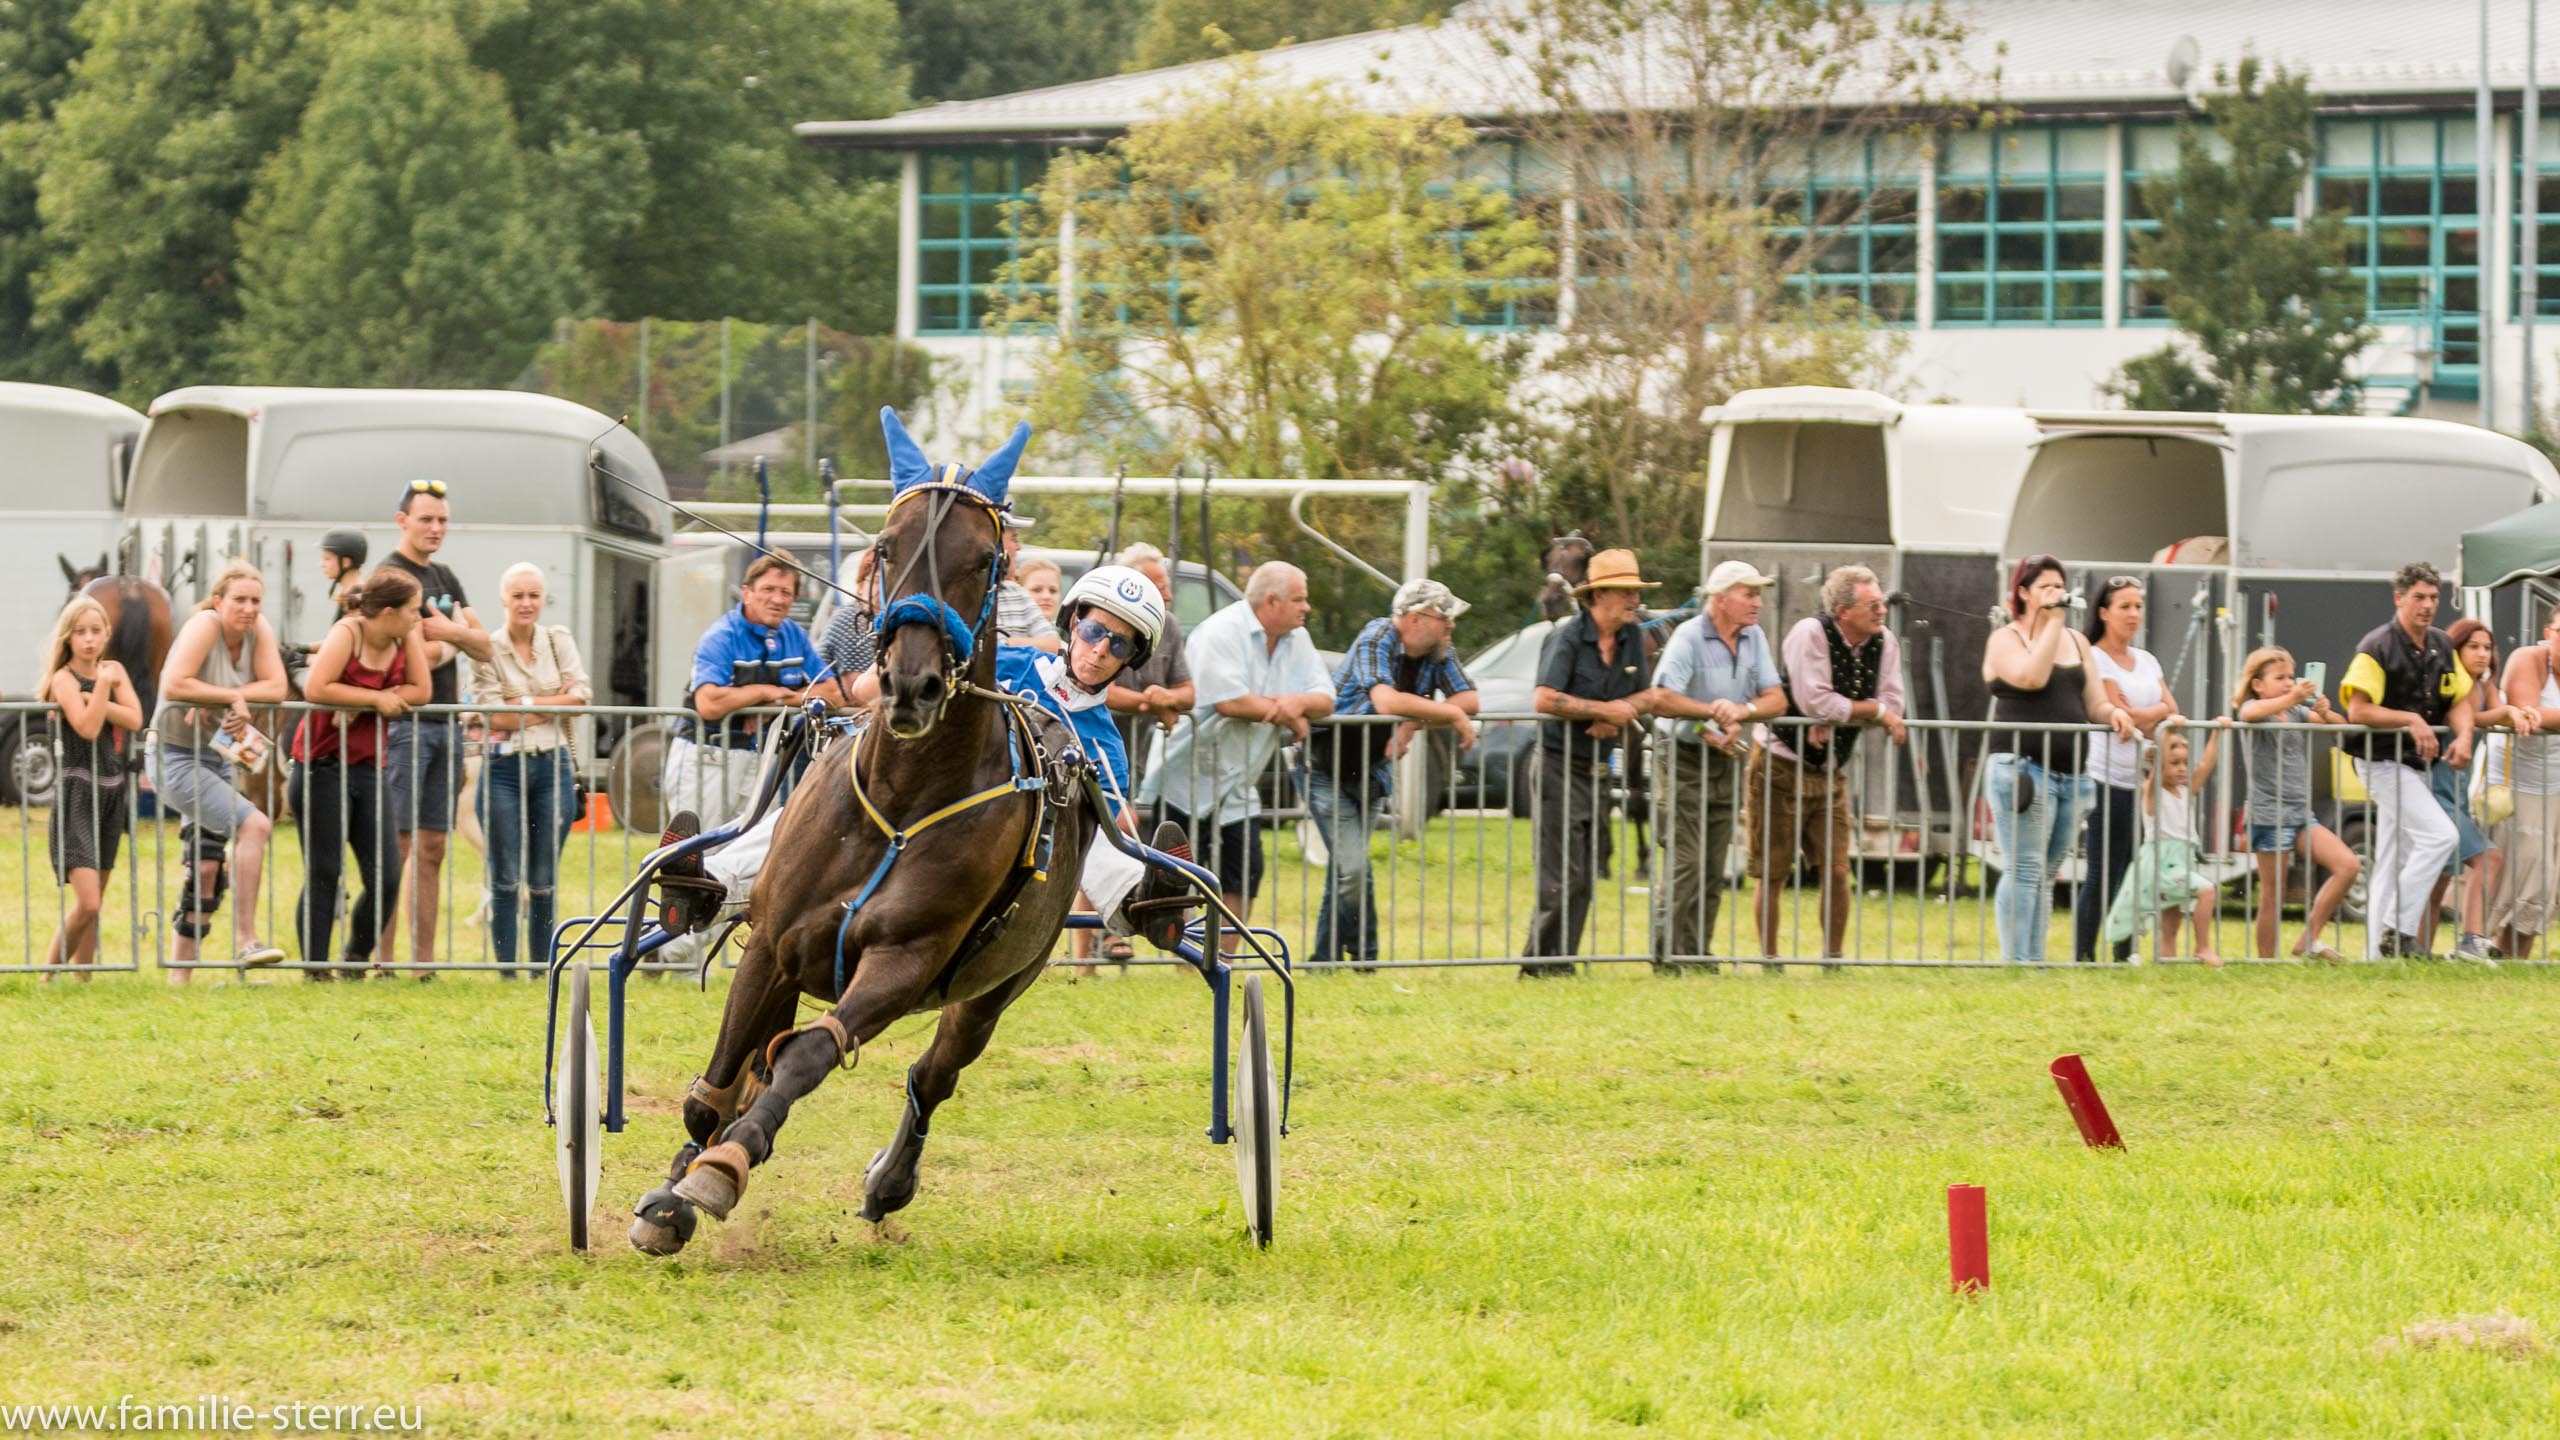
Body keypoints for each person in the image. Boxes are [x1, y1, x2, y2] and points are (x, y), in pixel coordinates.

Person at [659, 565, 1201, 955]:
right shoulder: (1009, 662)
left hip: (995, 857)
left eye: (1120, 645)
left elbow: (1106, 834)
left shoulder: (1104, 744)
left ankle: (1142, 901)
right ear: (1072, 621)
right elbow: (904, 681)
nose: (1101, 648)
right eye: (1093, 630)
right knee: (814, 808)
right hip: (921, 803)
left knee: (1093, 832)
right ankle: (707, 882)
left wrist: (1120, 825)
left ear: (1132, 660)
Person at [1142, 561, 1332, 943]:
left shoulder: (1299, 638)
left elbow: (1326, 699)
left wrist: (1294, 704)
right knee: (1180, 877)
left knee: (1244, 872)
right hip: (1186, 777)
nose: (1306, 607)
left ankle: (1221, 960)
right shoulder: (1220, 631)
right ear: (1271, 601)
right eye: (1299, 599)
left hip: (1238, 784)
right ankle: (1187, 958)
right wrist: (1290, 712)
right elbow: (1229, 702)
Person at [1304, 579, 1478, 971]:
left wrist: (1412, 724)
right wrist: (1447, 714)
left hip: (1370, 771)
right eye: (1444, 617)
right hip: (1324, 764)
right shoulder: (1378, 635)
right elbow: (1385, 700)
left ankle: (1332, 959)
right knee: (1351, 866)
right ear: (1414, 619)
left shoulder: (1438, 651)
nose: (1451, 626)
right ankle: (1358, 958)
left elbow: (1470, 697)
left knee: (1347, 867)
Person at [1980, 556, 2139, 964]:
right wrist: (2050, 623)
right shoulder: (2006, 638)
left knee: (2048, 873)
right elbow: (2031, 677)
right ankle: (2018, 963)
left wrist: (2114, 713)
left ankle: (2034, 960)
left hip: (2071, 775)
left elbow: (2094, 702)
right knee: (2025, 868)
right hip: (2022, 769)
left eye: (2058, 586)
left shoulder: (2077, 641)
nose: (2054, 593)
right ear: (2023, 593)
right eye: (2045, 586)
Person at [1753, 564, 1910, 968]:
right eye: (1872, 604)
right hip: (1779, 762)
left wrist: (1847, 716)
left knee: (1839, 869)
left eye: (1882, 603)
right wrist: (1871, 711)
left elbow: (1896, 704)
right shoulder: (1810, 633)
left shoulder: (1884, 641)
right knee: (1773, 870)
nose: (1881, 611)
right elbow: (1817, 703)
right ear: (1843, 611)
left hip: (1829, 769)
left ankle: (1833, 959)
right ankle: (1770, 960)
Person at [1521, 548, 1658, 975]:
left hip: (1598, 769)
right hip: (1558, 765)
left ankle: (1559, 962)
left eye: (1635, 592)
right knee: (1560, 876)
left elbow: (1648, 696)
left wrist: (1620, 710)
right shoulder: (1564, 637)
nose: (1633, 601)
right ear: (1596, 597)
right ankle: (1539, 965)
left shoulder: (1632, 637)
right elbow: (1544, 698)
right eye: (1623, 592)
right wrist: (1600, 712)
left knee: (1584, 877)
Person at [151, 558, 290, 978]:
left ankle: (180, 978)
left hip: (219, 754)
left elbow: (277, 686)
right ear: (218, 600)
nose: (249, 608)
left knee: (208, 866)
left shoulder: (257, 630)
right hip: (174, 755)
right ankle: (247, 941)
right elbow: (174, 683)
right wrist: (231, 698)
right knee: (256, 826)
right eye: (240, 600)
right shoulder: (203, 626)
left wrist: (227, 696)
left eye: (256, 601)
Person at [1644, 560, 1784, 974]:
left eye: (1759, 594)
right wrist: (1712, 715)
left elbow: (1777, 699)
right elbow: (1662, 697)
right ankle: (1666, 955)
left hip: (1724, 757)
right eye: (1749, 593)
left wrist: (1742, 710)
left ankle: (1698, 954)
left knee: (1712, 863)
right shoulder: (1688, 637)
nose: (1758, 602)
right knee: (1686, 860)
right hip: (1681, 757)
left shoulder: (1754, 636)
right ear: (1720, 599)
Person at [378, 479, 493, 975]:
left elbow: (487, 645)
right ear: (402, 520)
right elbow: (404, 651)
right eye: (426, 519)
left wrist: (445, 633)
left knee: (434, 847)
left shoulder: (445, 576)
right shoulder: (389, 575)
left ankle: (422, 963)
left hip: (445, 725)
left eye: (443, 520)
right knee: (397, 845)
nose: (436, 528)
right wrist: (456, 641)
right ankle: (381, 960)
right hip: (405, 725)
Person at [2342, 562, 2481, 962]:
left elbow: (2459, 701)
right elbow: (2358, 710)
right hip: (2380, 761)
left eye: (2434, 597)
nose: (2428, 605)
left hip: (2414, 766)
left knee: (2391, 858)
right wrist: (2411, 719)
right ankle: (2399, 931)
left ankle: (2375, 955)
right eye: (2419, 596)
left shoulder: (2441, 644)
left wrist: (2465, 735)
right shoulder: (2377, 645)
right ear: (2398, 598)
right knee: (2441, 837)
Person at [295, 568, 430, 979]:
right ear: (387, 612)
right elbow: (317, 688)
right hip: (321, 765)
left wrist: (377, 701)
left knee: (388, 873)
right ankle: (315, 969)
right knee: (324, 870)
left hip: (370, 766)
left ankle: (354, 957)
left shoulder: (405, 636)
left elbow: (422, 691)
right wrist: (376, 698)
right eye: (412, 609)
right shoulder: (347, 633)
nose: (418, 617)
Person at [472, 563, 593, 977]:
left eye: (534, 595)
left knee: (543, 878)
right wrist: (544, 702)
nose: (526, 603)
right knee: (504, 874)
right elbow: (491, 716)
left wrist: (520, 705)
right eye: (518, 595)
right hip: (503, 766)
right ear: (504, 599)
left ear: (543, 599)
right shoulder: (487, 647)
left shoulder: (558, 641)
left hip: (552, 765)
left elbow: (580, 695)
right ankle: (508, 970)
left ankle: (542, 968)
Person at [666, 554, 818, 830]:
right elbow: (709, 703)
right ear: (747, 593)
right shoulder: (721, 635)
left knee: (745, 859)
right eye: (768, 589)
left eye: (786, 592)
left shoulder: (795, 635)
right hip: (707, 757)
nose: (777, 599)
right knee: (694, 853)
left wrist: (773, 705)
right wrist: (764, 692)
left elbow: (833, 692)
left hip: (761, 759)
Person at [2074, 576, 2179, 963]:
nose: (2134, 614)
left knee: (2135, 870)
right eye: (2125, 606)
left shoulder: (2148, 661)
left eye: (2138, 606)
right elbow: (2124, 715)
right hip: (2105, 777)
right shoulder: (2096, 658)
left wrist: (2147, 715)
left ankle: (2125, 952)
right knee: (2103, 870)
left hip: (2141, 781)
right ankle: (2084, 954)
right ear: (2104, 613)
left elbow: (2173, 709)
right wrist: (2154, 714)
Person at [2232, 646, 2359, 962]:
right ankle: (2266, 961)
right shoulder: (2254, 707)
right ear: (2258, 684)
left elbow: (2339, 725)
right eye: (2280, 677)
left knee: (2348, 865)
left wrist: (2325, 710)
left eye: (2291, 676)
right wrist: (2293, 697)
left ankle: (2308, 939)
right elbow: (2247, 714)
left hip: (2301, 814)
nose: (2289, 682)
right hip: (2268, 814)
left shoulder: (2298, 711)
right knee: (2272, 895)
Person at [39, 595, 140, 979]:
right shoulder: (63, 679)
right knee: (89, 902)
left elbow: (133, 717)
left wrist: (98, 692)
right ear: (68, 637)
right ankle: (47, 974)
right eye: (80, 632)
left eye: (96, 631)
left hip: (111, 788)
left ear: (106, 634)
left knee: (97, 894)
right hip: (76, 791)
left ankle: (84, 978)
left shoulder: (113, 670)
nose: (88, 639)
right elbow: (87, 727)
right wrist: (98, 690)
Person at [2426, 619, 2533, 961]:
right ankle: (2471, 939)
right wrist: (2508, 711)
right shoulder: (2451, 685)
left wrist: (2518, 711)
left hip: (2457, 794)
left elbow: (2497, 709)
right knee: (2489, 857)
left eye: (2487, 647)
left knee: (2440, 881)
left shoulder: (2482, 684)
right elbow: (2476, 717)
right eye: (2473, 647)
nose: (2483, 654)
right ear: (2455, 649)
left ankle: (2415, 952)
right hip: (2436, 793)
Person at [2104, 723, 2227, 967]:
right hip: (2162, 863)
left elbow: (2206, 765)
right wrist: (2168, 728)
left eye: (2184, 763)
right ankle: (2202, 947)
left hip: (2182, 859)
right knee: (2207, 891)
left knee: (2172, 921)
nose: (2182, 769)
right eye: (2175, 763)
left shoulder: (2185, 790)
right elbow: (2158, 766)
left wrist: (2217, 732)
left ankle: (2166, 962)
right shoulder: (2152, 792)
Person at [2488, 604, 2560, 959]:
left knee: (2546, 883)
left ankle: (2514, 960)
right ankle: (2491, 951)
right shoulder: (2527, 659)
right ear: (2548, 633)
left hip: (2555, 786)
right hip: (2514, 784)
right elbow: (2529, 711)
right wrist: (2544, 716)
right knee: (2525, 873)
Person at [1107, 543, 1196, 775]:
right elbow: (1107, 693)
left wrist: (1163, 698)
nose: (1169, 596)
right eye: (1161, 588)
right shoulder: (1109, 622)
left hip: (1135, 759)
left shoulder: (1169, 625)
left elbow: (1188, 693)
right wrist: (1157, 705)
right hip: (1100, 752)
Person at [996, 514, 1060, 651]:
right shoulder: (966, 594)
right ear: (995, 542)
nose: (1019, 546)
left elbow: (1054, 645)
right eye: (1014, 539)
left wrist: (1007, 643)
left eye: (1053, 590)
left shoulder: (1015, 592)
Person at [318, 529, 368, 617]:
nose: (322, 565)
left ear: (345, 562)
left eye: (327, 559)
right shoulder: (353, 595)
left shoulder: (356, 600)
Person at [1016, 555, 1063, 627]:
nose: (1047, 596)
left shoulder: (1071, 635)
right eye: (1037, 590)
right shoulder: (1004, 635)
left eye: (1053, 591)